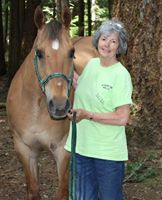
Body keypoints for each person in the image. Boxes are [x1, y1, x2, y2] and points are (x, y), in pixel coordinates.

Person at [65, 18, 133, 200]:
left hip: (107, 155)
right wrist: (66, 71)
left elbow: (122, 118)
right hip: (81, 148)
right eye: (104, 39)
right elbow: (83, 88)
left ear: (119, 47)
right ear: (98, 40)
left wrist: (88, 115)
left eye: (113, 41)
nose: (107, 45)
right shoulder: (92, 65)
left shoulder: (121, 75)